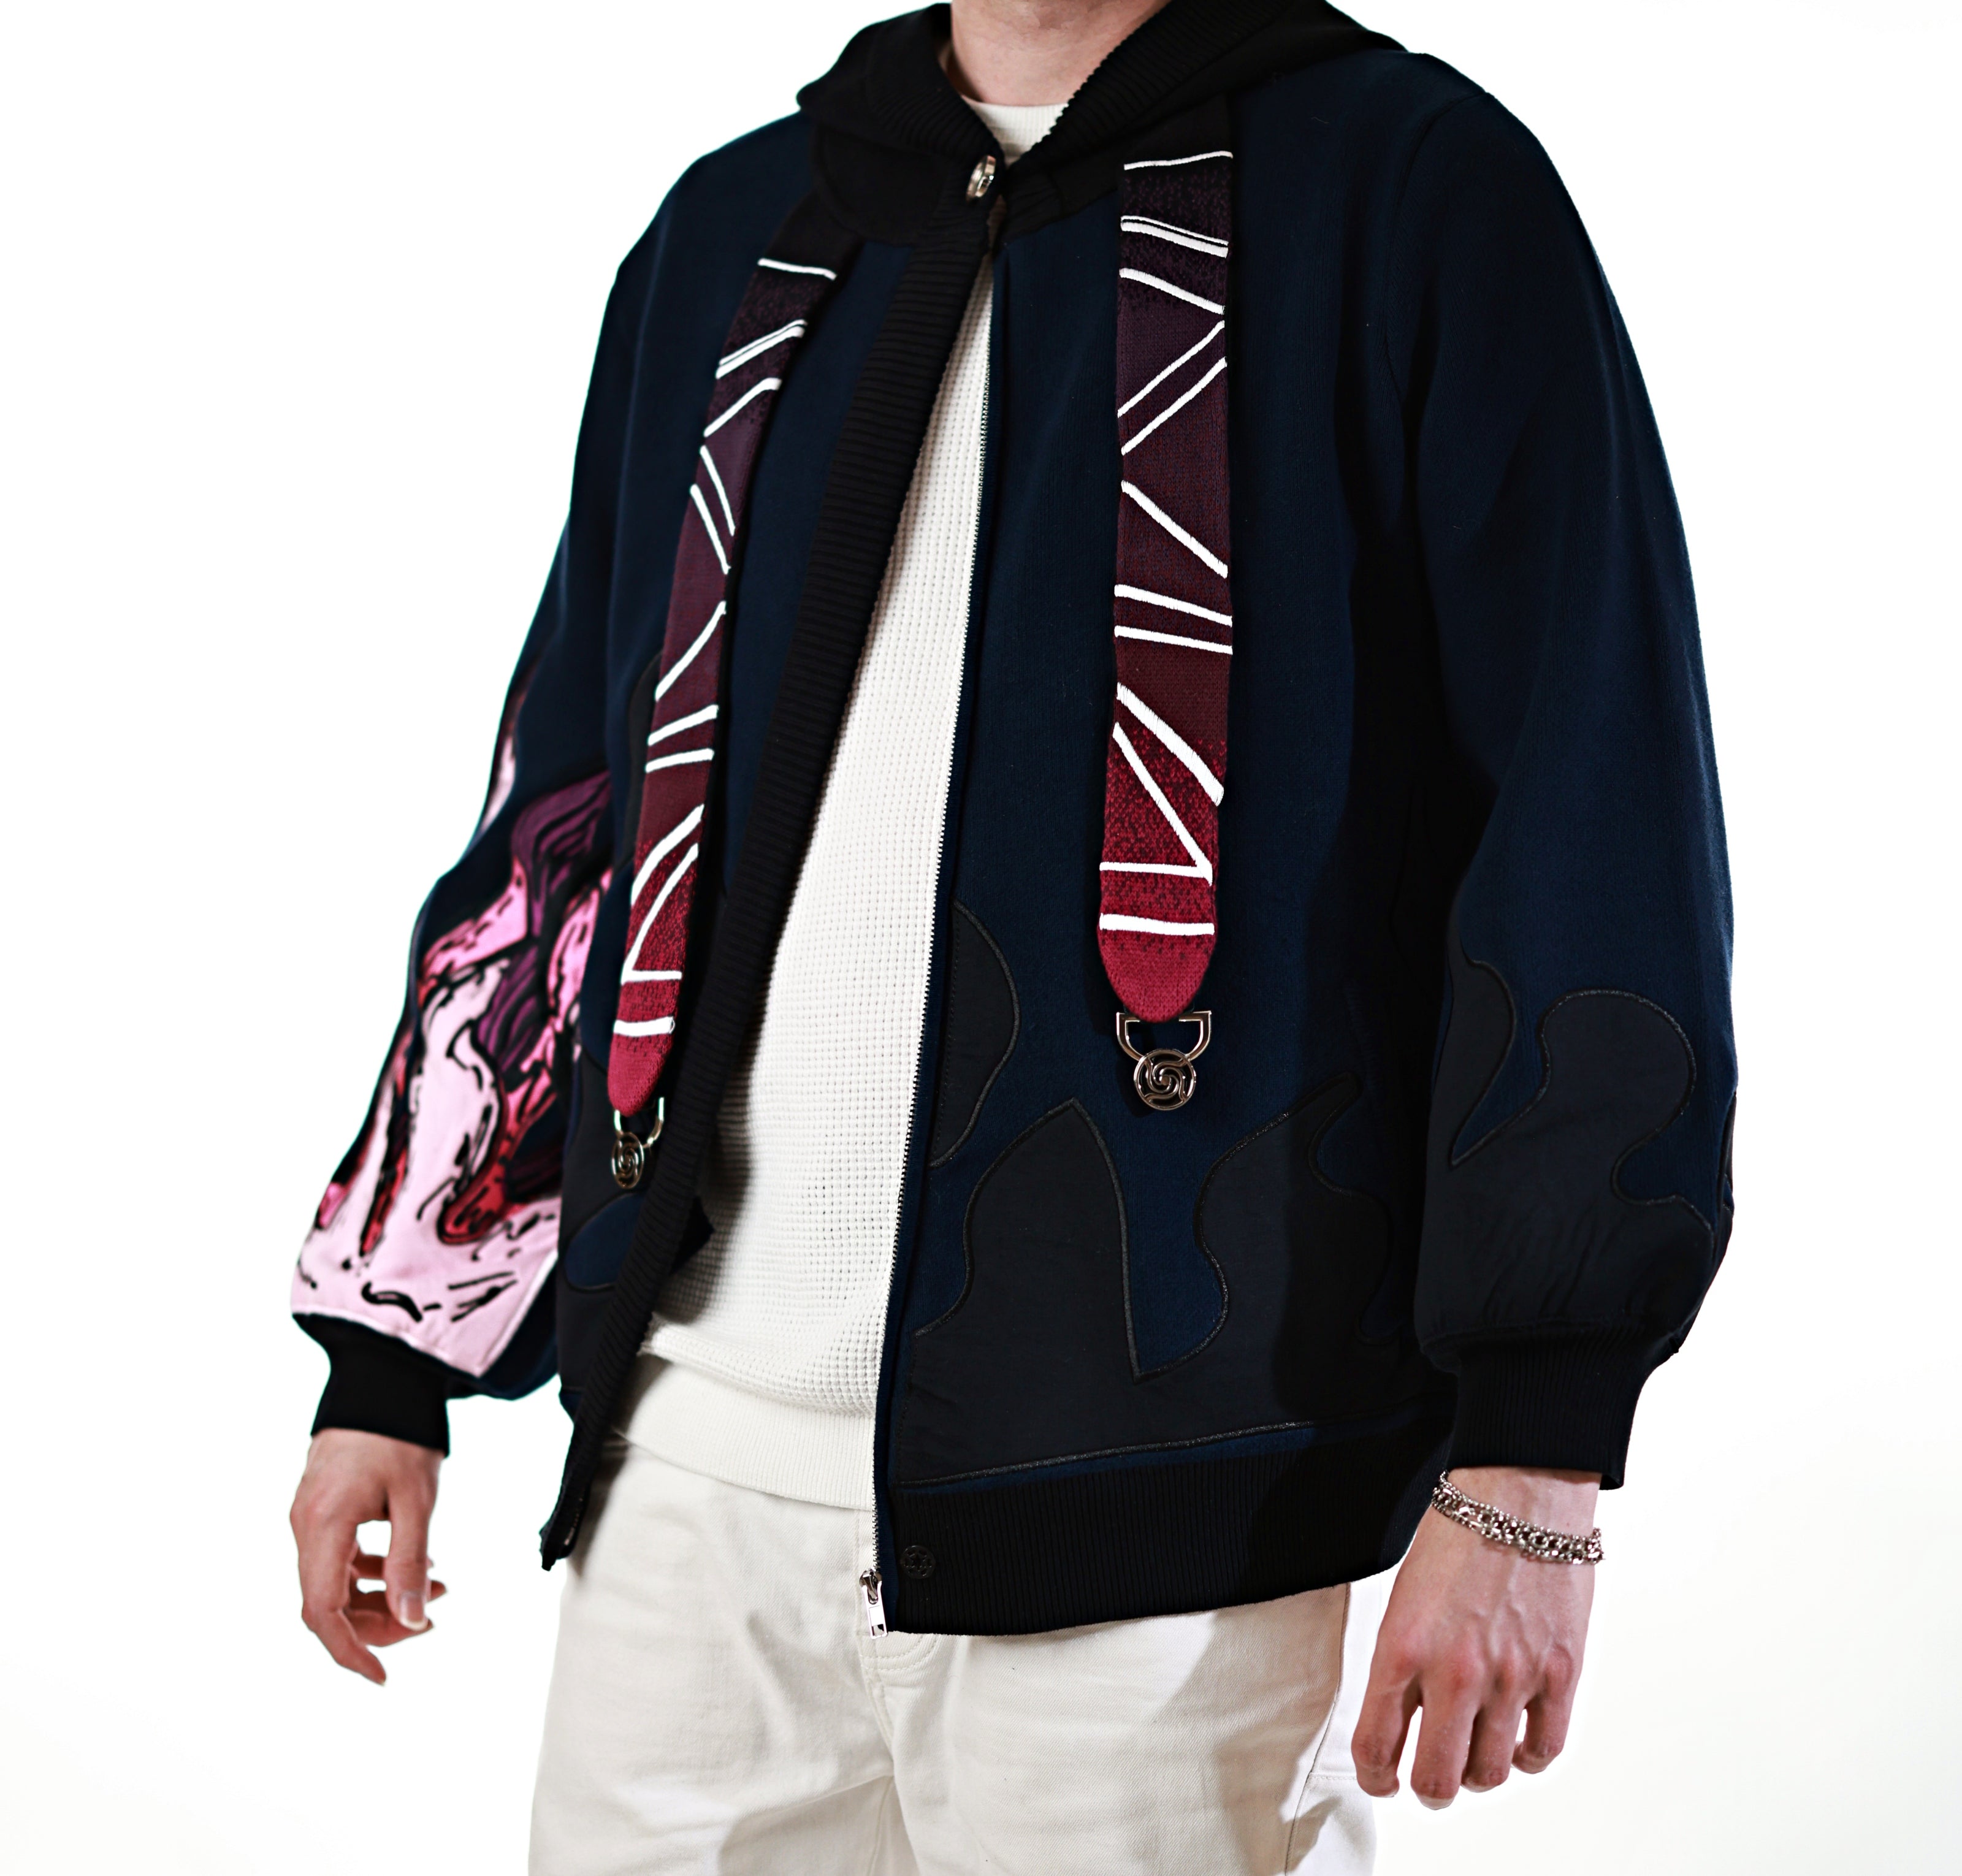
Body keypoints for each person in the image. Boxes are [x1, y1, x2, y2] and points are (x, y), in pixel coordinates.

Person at [287, 1, 1735, 1869]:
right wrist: (397, 1341)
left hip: (1176, 1538)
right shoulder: (737, 228)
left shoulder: (1417, 192)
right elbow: (573, 803)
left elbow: (1589, 808)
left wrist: (1537, 1452)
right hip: (684, 1497)